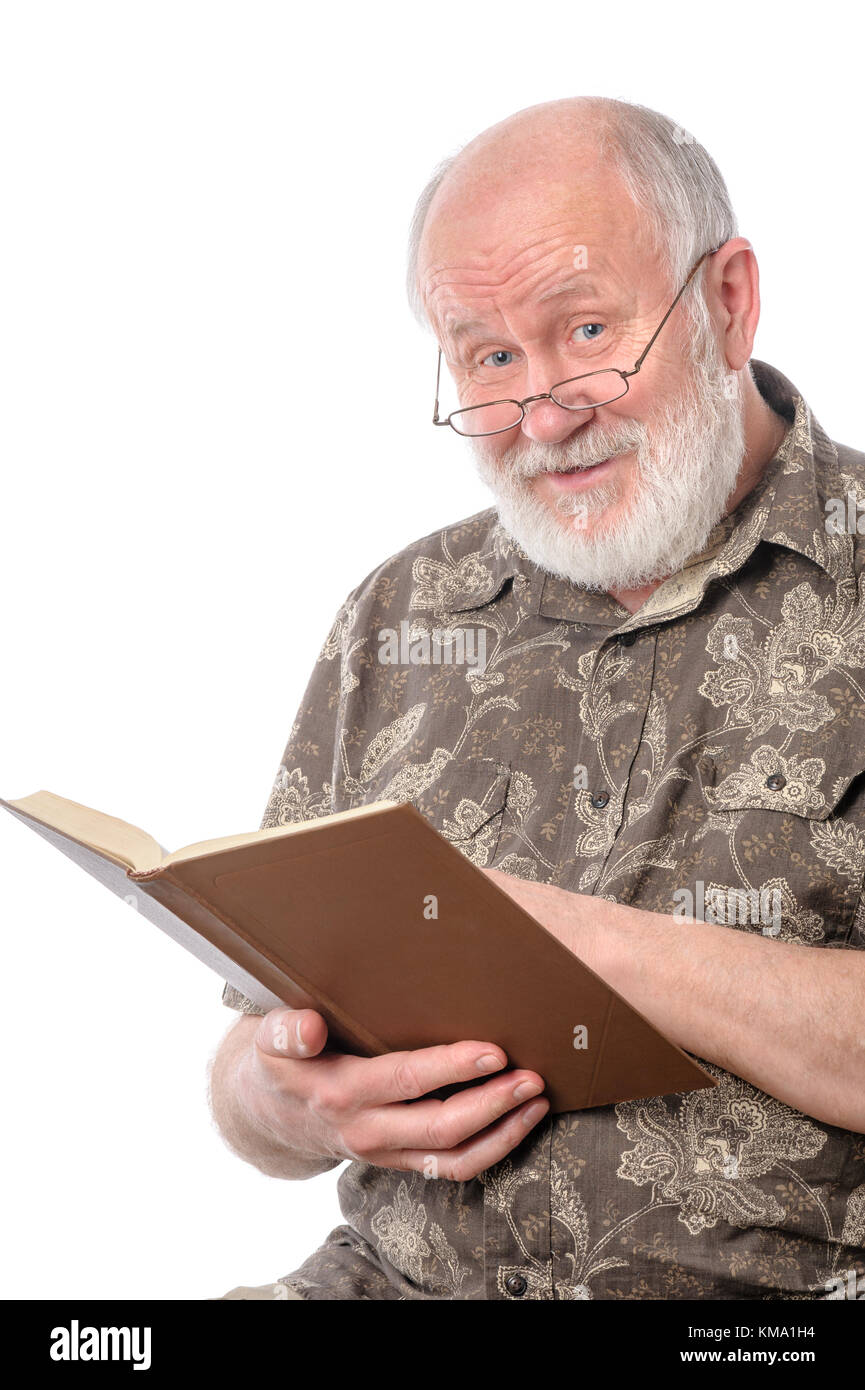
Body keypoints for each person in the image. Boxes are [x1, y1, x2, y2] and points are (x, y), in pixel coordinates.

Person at [209, 96, 865, 1301]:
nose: (544, 413)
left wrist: (568, 943)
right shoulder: (396, 614)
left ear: (726, 301)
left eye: (586, 330)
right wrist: (284, 1097)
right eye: (490, 356)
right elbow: (251, 1073)